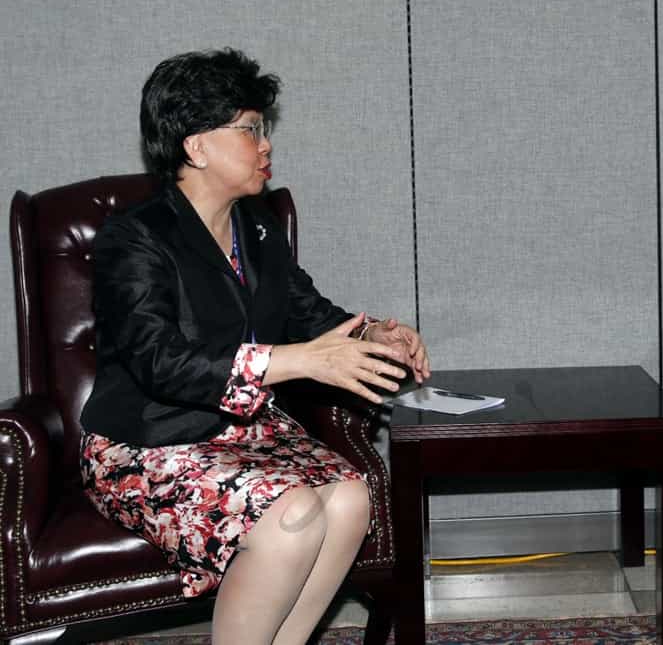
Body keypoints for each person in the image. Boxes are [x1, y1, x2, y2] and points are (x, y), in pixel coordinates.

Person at [79, 48, 431, 645]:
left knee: (349, 498)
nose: (265, 144)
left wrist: (373, 335)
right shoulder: (134, 239)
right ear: (196, 147)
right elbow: (156, 360)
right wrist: (294, 361)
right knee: (291, 515)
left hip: (244, 433)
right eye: (249, 129)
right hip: (147, 441)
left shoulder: (258, 226)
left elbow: (307, 313)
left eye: (263, 129)